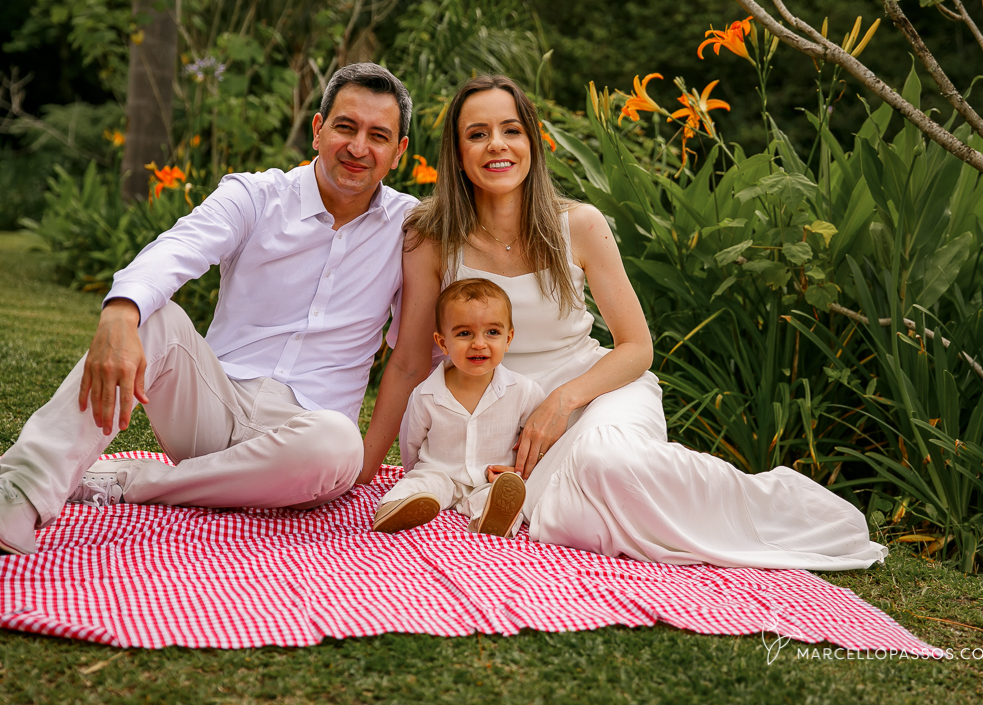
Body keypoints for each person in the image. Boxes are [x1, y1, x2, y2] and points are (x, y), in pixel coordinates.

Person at [360, 74, 889, 571]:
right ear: (457, 152)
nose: (496, 144)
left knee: (605, 463)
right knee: (562, 517)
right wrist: (363, 469)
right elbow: (408, 362)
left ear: (532, 141)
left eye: (511, 130)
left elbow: (636, 347)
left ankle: (786, 513)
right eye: (477, 134)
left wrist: (562, 401)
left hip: (598, 392)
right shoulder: (431, 238)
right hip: (510, 423)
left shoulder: (578, 225)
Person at [0, 62, 422, 556]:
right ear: (317, 130)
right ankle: (18, 494)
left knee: (338, 442)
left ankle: (134, 481)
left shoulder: (411, 230)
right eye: (345, 127)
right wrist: (121, 311)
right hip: (213, 406)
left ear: (398, 152)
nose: (359, 147)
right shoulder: (257, 195)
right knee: (155, 317)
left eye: (378, 136)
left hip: (304, 448)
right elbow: (180, 247)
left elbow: (412, 354)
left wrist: (368, 465)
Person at [373, 278, 544, 537]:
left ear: (508, 339)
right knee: (420, 483)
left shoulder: (525, 392)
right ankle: (394, 507)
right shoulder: (426, 394)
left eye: (492, 332)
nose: (479, 343)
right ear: (443, 343)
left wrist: (516, 471)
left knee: (499, 494)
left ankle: (492, 518)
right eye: (464, 334)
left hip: (490, 479)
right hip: (440, 472)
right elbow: (411, 444)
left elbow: (535, 446)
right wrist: (415, 473)